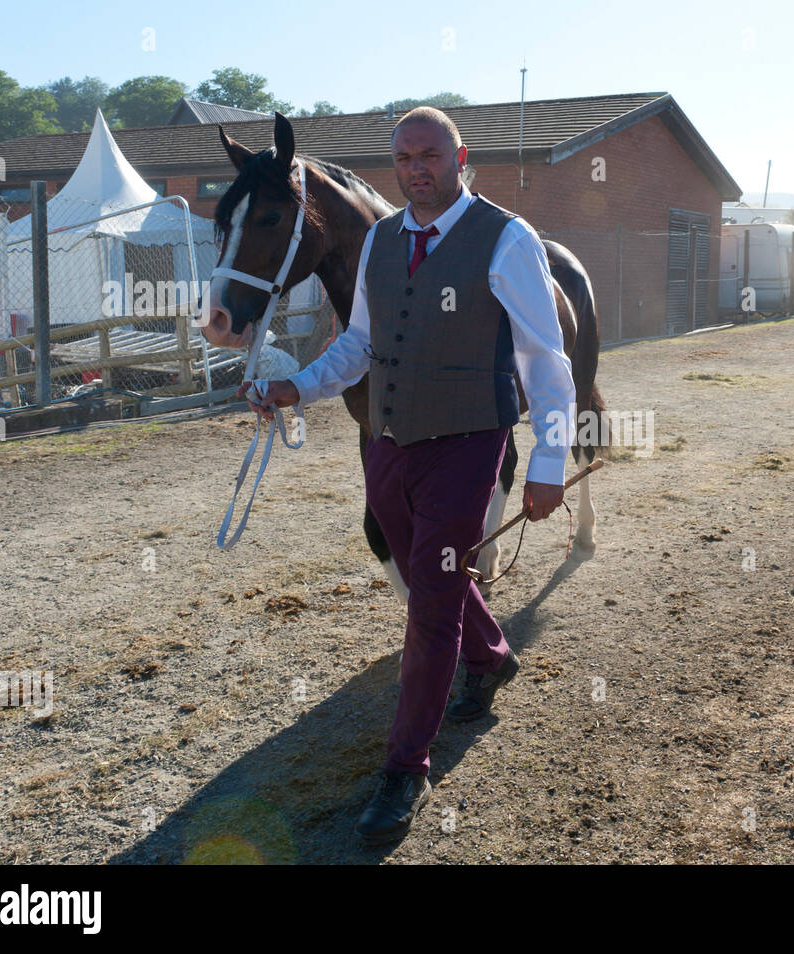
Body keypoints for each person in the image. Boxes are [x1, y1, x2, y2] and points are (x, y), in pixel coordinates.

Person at [242, 107, 576, 845]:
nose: (417, 168)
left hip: (467, 442)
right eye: (405, 158)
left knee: (429, 601)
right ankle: (490, 655)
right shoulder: (383, 241)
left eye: (430, 154)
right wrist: (298, 384)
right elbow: (359, 341)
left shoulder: (506, 238)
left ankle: (405, 767)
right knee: (426, 570)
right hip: (388, 442)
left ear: (459, 157)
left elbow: (544, 361)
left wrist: (550, 461)